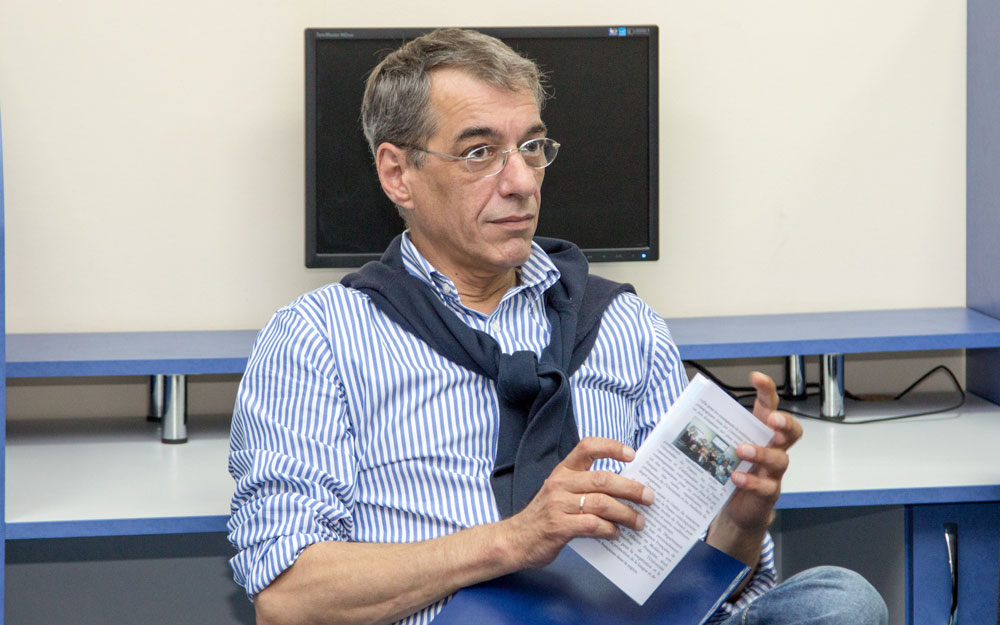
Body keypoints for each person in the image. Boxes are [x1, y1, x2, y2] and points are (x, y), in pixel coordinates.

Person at [227, 28, 888, 625]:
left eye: (532, 147)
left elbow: (710, 589)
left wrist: (740, 521)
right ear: (399, 174)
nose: (521, 181)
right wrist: (512, 541)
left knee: (839, 599)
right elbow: (288, 599)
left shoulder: (624, 324)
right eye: (480, 152)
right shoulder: (318, 339)